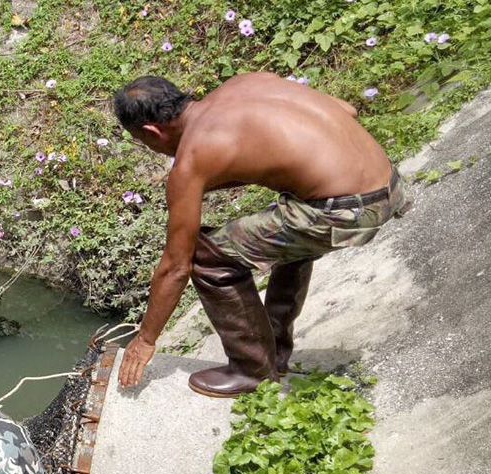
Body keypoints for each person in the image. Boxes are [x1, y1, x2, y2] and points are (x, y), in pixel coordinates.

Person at [112, 73, 412, 397]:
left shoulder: (193, 156)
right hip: (388, 184)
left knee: (206, 257)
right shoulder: (245, 84)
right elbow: (346, 109)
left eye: (146, 144)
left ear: (151, 131)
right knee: (287, 227)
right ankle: (276, 349)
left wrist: (145, 339)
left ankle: (252, 371)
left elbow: (176, 266)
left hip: (345, 211)